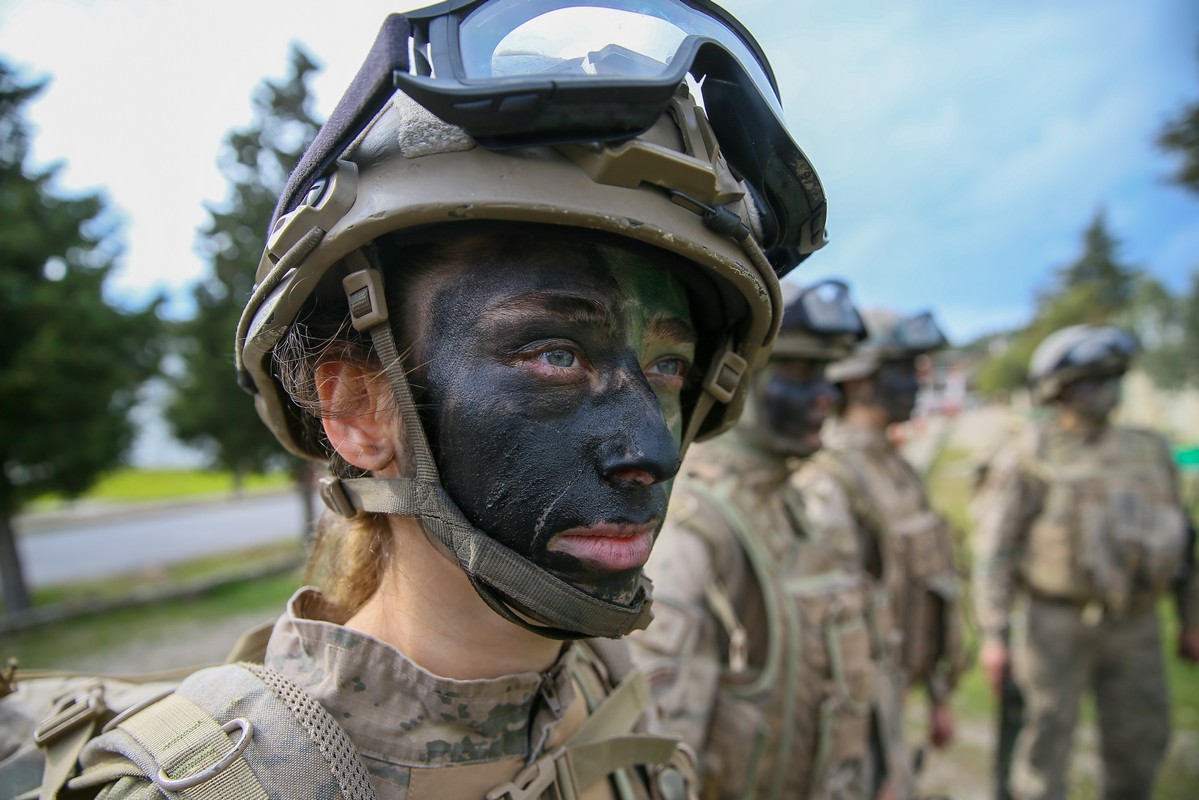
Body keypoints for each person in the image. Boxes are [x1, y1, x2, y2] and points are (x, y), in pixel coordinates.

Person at [0, 1, 832, 797]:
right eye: (553, 354)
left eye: (667, 369)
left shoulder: (611, 702)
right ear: (359, 412)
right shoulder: (218, 782)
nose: (648, 450)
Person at [629, 279, 879, 799]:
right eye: (798, 372)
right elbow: (664, 746)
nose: (825, 396)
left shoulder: (793, 501)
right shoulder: (694, 525)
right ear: (737, 380)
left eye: (826, 374)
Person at [972, 324, 1199, 800]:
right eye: (1090, 380)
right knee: (1045, 740)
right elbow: (997, 547)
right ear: (1059, 390)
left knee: (1140, 738)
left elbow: (1182, 541)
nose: (1104, 392)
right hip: (1055, 622)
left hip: (1135, 622)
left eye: (1110, 378)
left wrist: (1191, 617)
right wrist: (995, 635)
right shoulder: (1030, 453)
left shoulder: (1151, 449)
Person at [794, 310, 961, 799]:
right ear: (862, 380)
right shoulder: (830, 478)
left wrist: (937, 697)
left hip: (898, 685)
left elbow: (933, 580)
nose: (916, 382)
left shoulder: (897, 468)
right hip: (862, 709)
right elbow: (835, 635)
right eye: (904, 369)